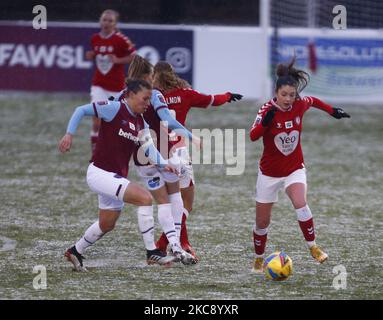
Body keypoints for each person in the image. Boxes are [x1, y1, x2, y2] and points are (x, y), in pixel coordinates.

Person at [58, 79, 179, 271]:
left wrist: (165, 165)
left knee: (106, 224)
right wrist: (69, 134)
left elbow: (149, 150)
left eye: (149, 100)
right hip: (99, 173)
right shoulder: (113, 108)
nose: (148, 104)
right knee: (145, 198)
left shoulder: (141, 122)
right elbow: (80, 110)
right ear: (131, 95)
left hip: (114, 177)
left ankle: (75, 251)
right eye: (145, 99)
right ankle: (151, 253)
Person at [249, 58, 350, 273]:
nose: (288, 99)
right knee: (262, 222)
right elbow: (253, 136)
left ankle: (313, 247)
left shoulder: (299, 105)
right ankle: (258, 259)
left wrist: (333, 111)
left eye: (292, 95)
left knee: (300, 203)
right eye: (283, 95)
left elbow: (314, 101)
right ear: (276, 92)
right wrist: (266, 122)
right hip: (269, 173)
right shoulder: (266, 110)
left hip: (294, 168)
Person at [152, 61, 243, 258]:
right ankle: (177, 243)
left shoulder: (151, 97)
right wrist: (227, 96)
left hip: (157, 155)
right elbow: (211, 99)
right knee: (186, 203)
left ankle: (169, 243)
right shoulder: (185, 94)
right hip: (179, 154)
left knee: (171, 202)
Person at [86, 9, 136, 157]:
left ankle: (119, 151)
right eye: (104, 20)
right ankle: (95, 155)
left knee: (118, 122)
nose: (106, 23)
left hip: (116, 87)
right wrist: (91, 55)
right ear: (100, 21)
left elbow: (134, 56)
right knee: (96, 121)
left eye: (110, 21)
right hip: (98, 84)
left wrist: (118, 60)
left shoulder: (121, 39)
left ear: (115, 24)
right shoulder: (95, 38)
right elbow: (96, 54)